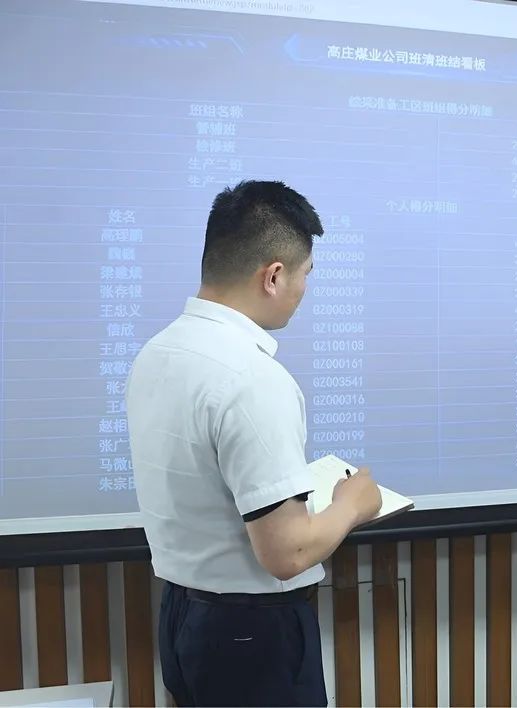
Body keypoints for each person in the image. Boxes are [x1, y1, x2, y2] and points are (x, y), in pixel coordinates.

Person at [126, 180, 382, 707]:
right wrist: (352, 505)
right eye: (306, 274)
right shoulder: (251, 377)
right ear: (274, 275)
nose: (305, 290)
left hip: (182, 616)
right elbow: (287, 552)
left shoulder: (158, 352)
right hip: (250, 634)